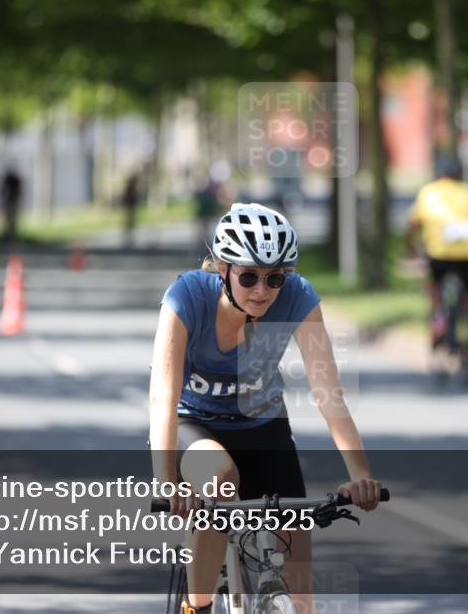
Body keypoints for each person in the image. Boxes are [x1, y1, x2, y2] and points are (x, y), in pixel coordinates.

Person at [149, 203, 382, 614]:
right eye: (249, 276)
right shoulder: (186, 297)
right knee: (221, 482)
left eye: (274, 277)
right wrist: (167, 481)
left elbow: (328, 392)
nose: (262, 290)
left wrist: (361, 475)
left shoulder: (298, 297)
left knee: (299, 562)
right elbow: (163, 397)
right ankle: (196, 607)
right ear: (223, 270)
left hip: (262, 425)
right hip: (195, 424)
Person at [405, 158, 468, 364]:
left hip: (439, 253)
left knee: (434, 288)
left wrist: (410, 246)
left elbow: (413, 224)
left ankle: (438, 318)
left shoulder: (429, 192)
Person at [0, 169, 22, 240]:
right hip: (9, 202)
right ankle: (8, 233)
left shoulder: (13, 182)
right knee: (9, 219)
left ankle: (11, 233)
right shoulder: (11, 181)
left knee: (11, 219)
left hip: (11, 202)